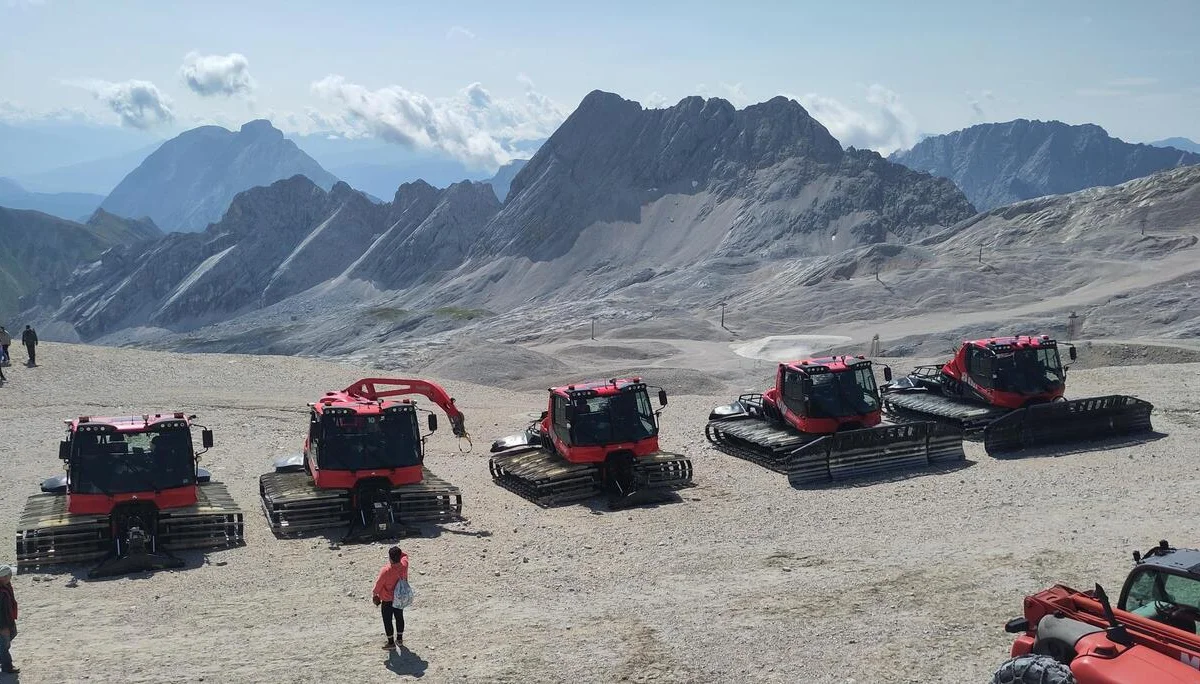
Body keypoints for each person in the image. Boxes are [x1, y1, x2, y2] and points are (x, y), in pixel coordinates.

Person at [372, 546, 409, 649]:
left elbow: (378, 585)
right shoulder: (404, 565)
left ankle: (391, 642)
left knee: (387, 620)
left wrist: (375, 595)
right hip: (399, 598)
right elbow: (405, 555)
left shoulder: (386, 570)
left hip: (387, 600)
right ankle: (400, 639)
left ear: (390, 558)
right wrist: (399, 552)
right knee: (399, 617)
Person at [0, 565, 18, 675]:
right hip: (3, 622)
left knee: (13, 634)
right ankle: (7, 666)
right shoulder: (1, 592)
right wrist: (3, 627)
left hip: (8, 619)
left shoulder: (6, 585)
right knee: (4, 644)